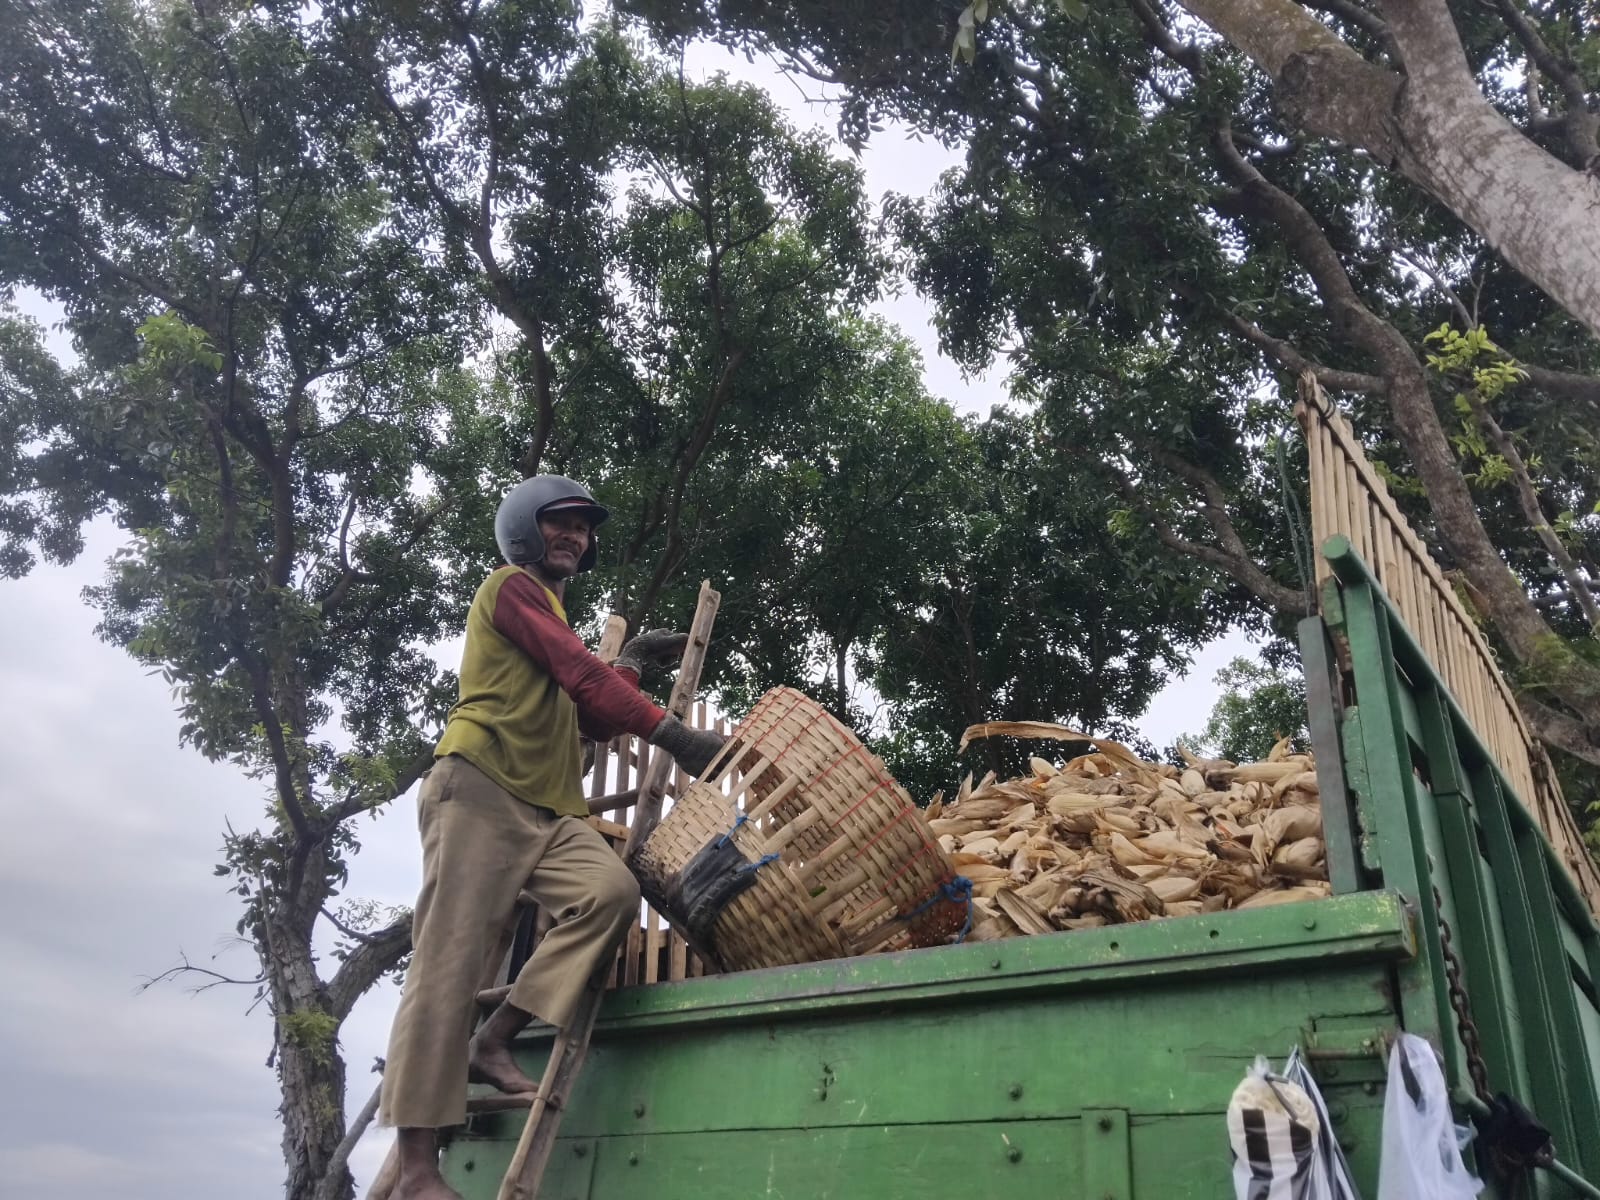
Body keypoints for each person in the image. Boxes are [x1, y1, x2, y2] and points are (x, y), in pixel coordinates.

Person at [379, 474, 726, 1200]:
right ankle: (416, 1170)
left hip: (547, 806)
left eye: (584, 529)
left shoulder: (554, 616)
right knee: (449, 964)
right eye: (562, 524)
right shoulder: (510, 587)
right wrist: (671, 734)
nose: (576, 537)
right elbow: (578, 673)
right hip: (479, 785)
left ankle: (496, 1036)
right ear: (524, 530)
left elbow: (591, 713)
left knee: (609, 895)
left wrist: (630, 664)